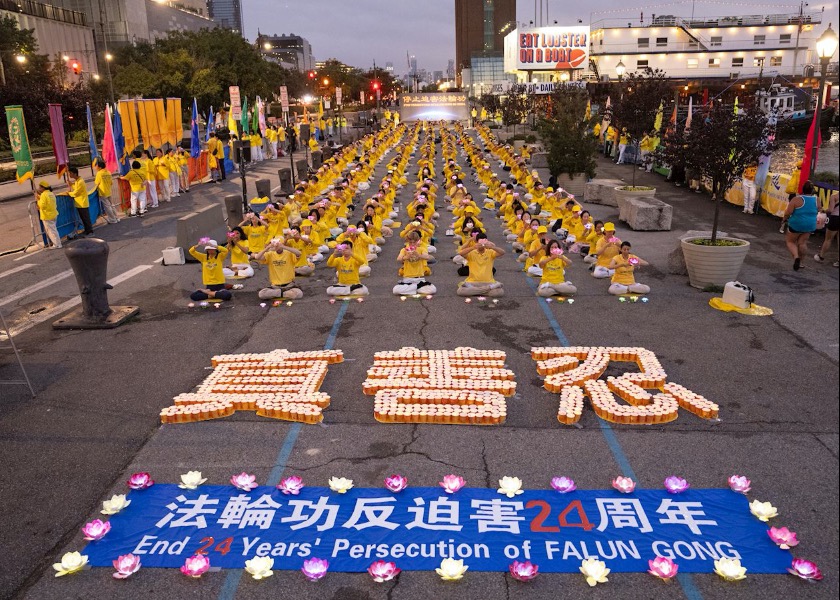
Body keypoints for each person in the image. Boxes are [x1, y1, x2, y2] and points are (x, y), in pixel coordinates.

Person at [783, 181, 818, 271]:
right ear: (812, 190)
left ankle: (796, 257)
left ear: (802, 189)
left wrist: (784, 220)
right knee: (802, 243)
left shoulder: (796, 199)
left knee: (790, 242)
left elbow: (788, 212)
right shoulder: (817, 199)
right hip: (810, 225)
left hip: (796, 224)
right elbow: (819, 209)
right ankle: (801, 262)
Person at [456, 233, 505, 297]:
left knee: (499, 292)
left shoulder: (490, 252)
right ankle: (487, 290)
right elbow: (461, 253)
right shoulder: (472, 252)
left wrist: (492, 247)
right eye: (480, 242)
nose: (481, 245)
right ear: (476, 242)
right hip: (473, 282)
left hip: (488, 282)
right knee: (460, 291)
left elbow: (502, 252)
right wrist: (473, 247)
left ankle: (475, 292)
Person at [394, 230, 437, 296]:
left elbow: (427, 257)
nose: (413, 244)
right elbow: (399, 259)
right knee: (395, 290)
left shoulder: (421, 249)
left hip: (419, 279)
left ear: (418, 241)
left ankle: (412, 289)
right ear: (408, 242)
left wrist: (419, 255)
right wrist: (406, 257)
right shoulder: (404, 250)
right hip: (407, 279)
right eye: (411, 242)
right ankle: (415, 288)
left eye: (414, 242)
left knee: (433, 289)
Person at [67, 166, 94, 235]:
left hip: (82, 202)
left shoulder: (80, 182)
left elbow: (76, 192)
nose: (69, 175)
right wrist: (71, 184)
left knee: (86, 218)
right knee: (83, 218)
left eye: (70, 173)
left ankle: (90, 231)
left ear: (75, 174)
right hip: (79, 203)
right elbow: (76, 188)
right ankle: (87, 230)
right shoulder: (77, 181)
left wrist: (69, 193)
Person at [815, 191, 839, 267]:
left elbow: (831, 210)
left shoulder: (834, 196)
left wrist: (824, 211)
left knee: (828, 239)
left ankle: (821, 256)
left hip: (835, 218)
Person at [35, 181, 61, 249]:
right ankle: (57, 243)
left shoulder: (44, 195)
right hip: (53, 214)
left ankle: (57, 244)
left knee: (51, 231)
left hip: (47, 215)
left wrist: (38, 200)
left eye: (40, 187)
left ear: (43, 188)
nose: (39, 188)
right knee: (54, 230)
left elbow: (42, 206)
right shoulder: (51, 193)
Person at [94, 159, 119, 224]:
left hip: (103, 192)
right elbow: (111, 182)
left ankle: (112, 219)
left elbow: (96, 183)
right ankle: (116, 217)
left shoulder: (99, 173)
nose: (95, 167)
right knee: (112, 205)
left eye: (96, 166)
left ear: (99, 167)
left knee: (107, 207)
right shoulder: (108, 172)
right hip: (109, 191)